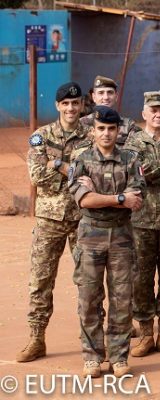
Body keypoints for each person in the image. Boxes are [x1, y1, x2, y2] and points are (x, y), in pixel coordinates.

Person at [68, 106, 146, 378]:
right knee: (89, 298)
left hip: (122, 237)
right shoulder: (81, 160)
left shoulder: (130, 160)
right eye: (101, 128)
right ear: (93, 132)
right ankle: (92, 356)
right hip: (90, 237)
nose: (106, 133)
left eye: (111, 129)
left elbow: (136, 199)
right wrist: (118, 198)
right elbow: (83, 200)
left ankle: (118, 356)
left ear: (118, 131)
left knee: (122, 299)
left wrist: (103, 195)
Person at [16, 82, 90, 363]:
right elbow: (37, 177)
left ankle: (91, 340)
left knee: (89, 281)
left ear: (82, 105)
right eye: (66, 104)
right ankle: (36, 338)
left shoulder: (92, 135)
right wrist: (74, 171)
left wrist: (57, 164)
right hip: (50, 219)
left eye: (75, 104)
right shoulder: (40, 136)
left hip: (84, 218)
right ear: (58, 106)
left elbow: (94, 171)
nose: (71, 108)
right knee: (41, 280)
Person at [124, 92, 160, 357]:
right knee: (141, 278)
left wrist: (152, 172)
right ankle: (146, 333)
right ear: (144, 113)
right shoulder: (132, 142)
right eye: (153, 110)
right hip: (141, 220)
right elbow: (135, 174)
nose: (158, 114)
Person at [80, 76, 140, 147]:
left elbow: (135, 152)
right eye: (101, 93)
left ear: (116, 96)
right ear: (94, 97)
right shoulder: (81, 124)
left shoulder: (129, 126)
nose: (106, 97)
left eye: (110, 93)